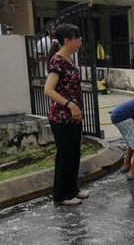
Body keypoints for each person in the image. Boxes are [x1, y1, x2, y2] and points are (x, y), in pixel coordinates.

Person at [44, 24, 88, 206]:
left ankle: (72, 189)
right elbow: (48, 90)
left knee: (74, 154)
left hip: (73, 117)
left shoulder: (69, 60)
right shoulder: (57, 61)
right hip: (62, 117)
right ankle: (61, 195)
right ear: (67, 41)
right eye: (77, 37)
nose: (80, 40)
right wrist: (70, 105)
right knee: (65, 156)